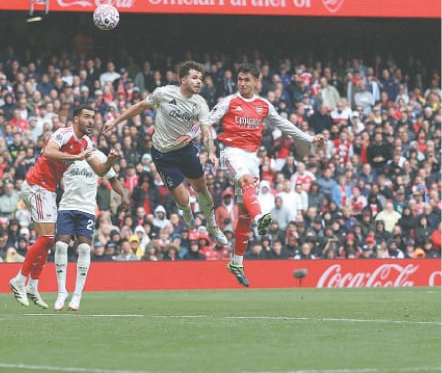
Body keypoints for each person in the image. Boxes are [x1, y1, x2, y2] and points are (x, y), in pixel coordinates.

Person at [204, 63, 326, 287]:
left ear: (256, 82)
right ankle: (262, 219)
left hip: (252, 159)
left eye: (246, 80)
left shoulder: (263, 105)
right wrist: (191, 135)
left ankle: (237, 261)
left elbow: (285, 124)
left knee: (244, 214)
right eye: (239, 79)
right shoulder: (229, 102)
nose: (242, 83)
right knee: (245, 182)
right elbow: (206, 121)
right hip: (230, 154)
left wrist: (308, 138)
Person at [103, 61, 226, 245]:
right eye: (194, 78)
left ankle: (212, 225)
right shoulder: (164, 93)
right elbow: (139, 107)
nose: (199, 81)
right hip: (163, 156)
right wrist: (115, 122)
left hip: (185, 151)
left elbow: (206, 130)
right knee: (184, 199)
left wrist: (211, 152)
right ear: (182, 80)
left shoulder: (200, 103)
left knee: (201, 188)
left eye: (200, 78)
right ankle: (186, 211)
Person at [8, 105, 103, 309]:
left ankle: (33, 285)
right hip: (36, 185)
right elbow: (48, 151)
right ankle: (19, 280)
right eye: (86, 116)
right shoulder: (63, 133)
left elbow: (99, 169)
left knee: (48, 241)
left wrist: (110, 161)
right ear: (76, 119)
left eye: (93, 117)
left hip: (48, 189)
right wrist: (74, 157)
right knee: (47, 238)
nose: (90, 121)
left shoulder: (86, 142)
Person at [54, 148, 130, 311]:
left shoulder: (99, 156)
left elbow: (113, 179)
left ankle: (77, 295)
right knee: (61, 246)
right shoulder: (66, 155)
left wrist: (124, 194)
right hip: (67, 206)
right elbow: (54, 177)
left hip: (87, 209)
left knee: (84, 248)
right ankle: (61, 291)